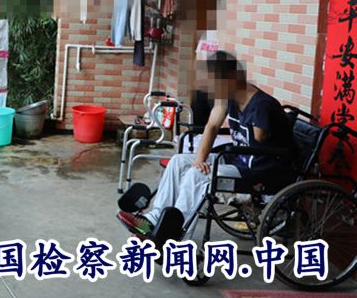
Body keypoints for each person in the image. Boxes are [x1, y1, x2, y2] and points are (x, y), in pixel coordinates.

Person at [117, 50, 294, 238]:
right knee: (178, 161)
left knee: (197, 175)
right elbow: (212, 126)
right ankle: (154, 218)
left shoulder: (262, 106)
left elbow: (260, 138)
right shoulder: (228, 97)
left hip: (260, 170)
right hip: (238, 161)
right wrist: (200, 160)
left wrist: (200, 167)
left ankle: (175, 232)